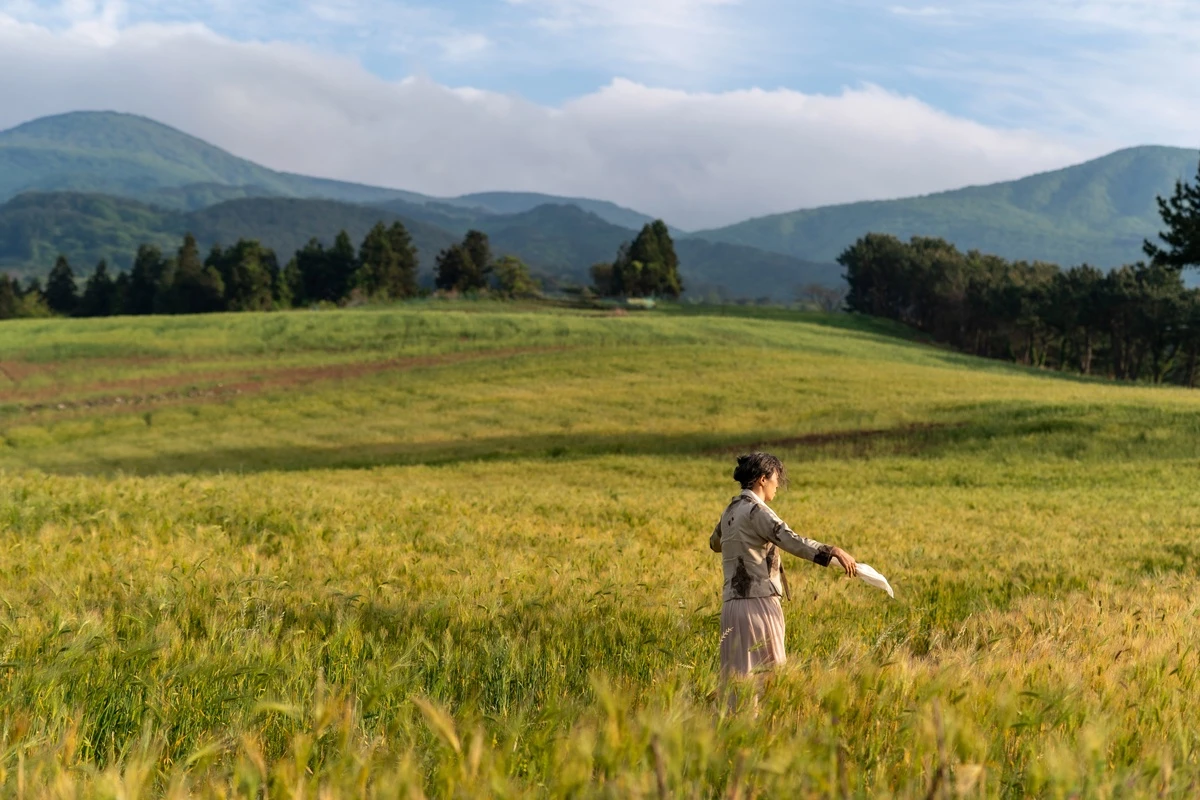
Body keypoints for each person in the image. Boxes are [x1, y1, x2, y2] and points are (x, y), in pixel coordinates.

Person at [709, 452, 857, 681]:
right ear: (762, 479)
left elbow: (715, 544)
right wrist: (832, 551)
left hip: (731, 608)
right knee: (770, 679)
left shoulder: (729, 511)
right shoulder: (756, 512)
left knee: (736, 681)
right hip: (758, 605)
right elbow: (791, 540)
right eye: (776, 478)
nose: (777, 485)